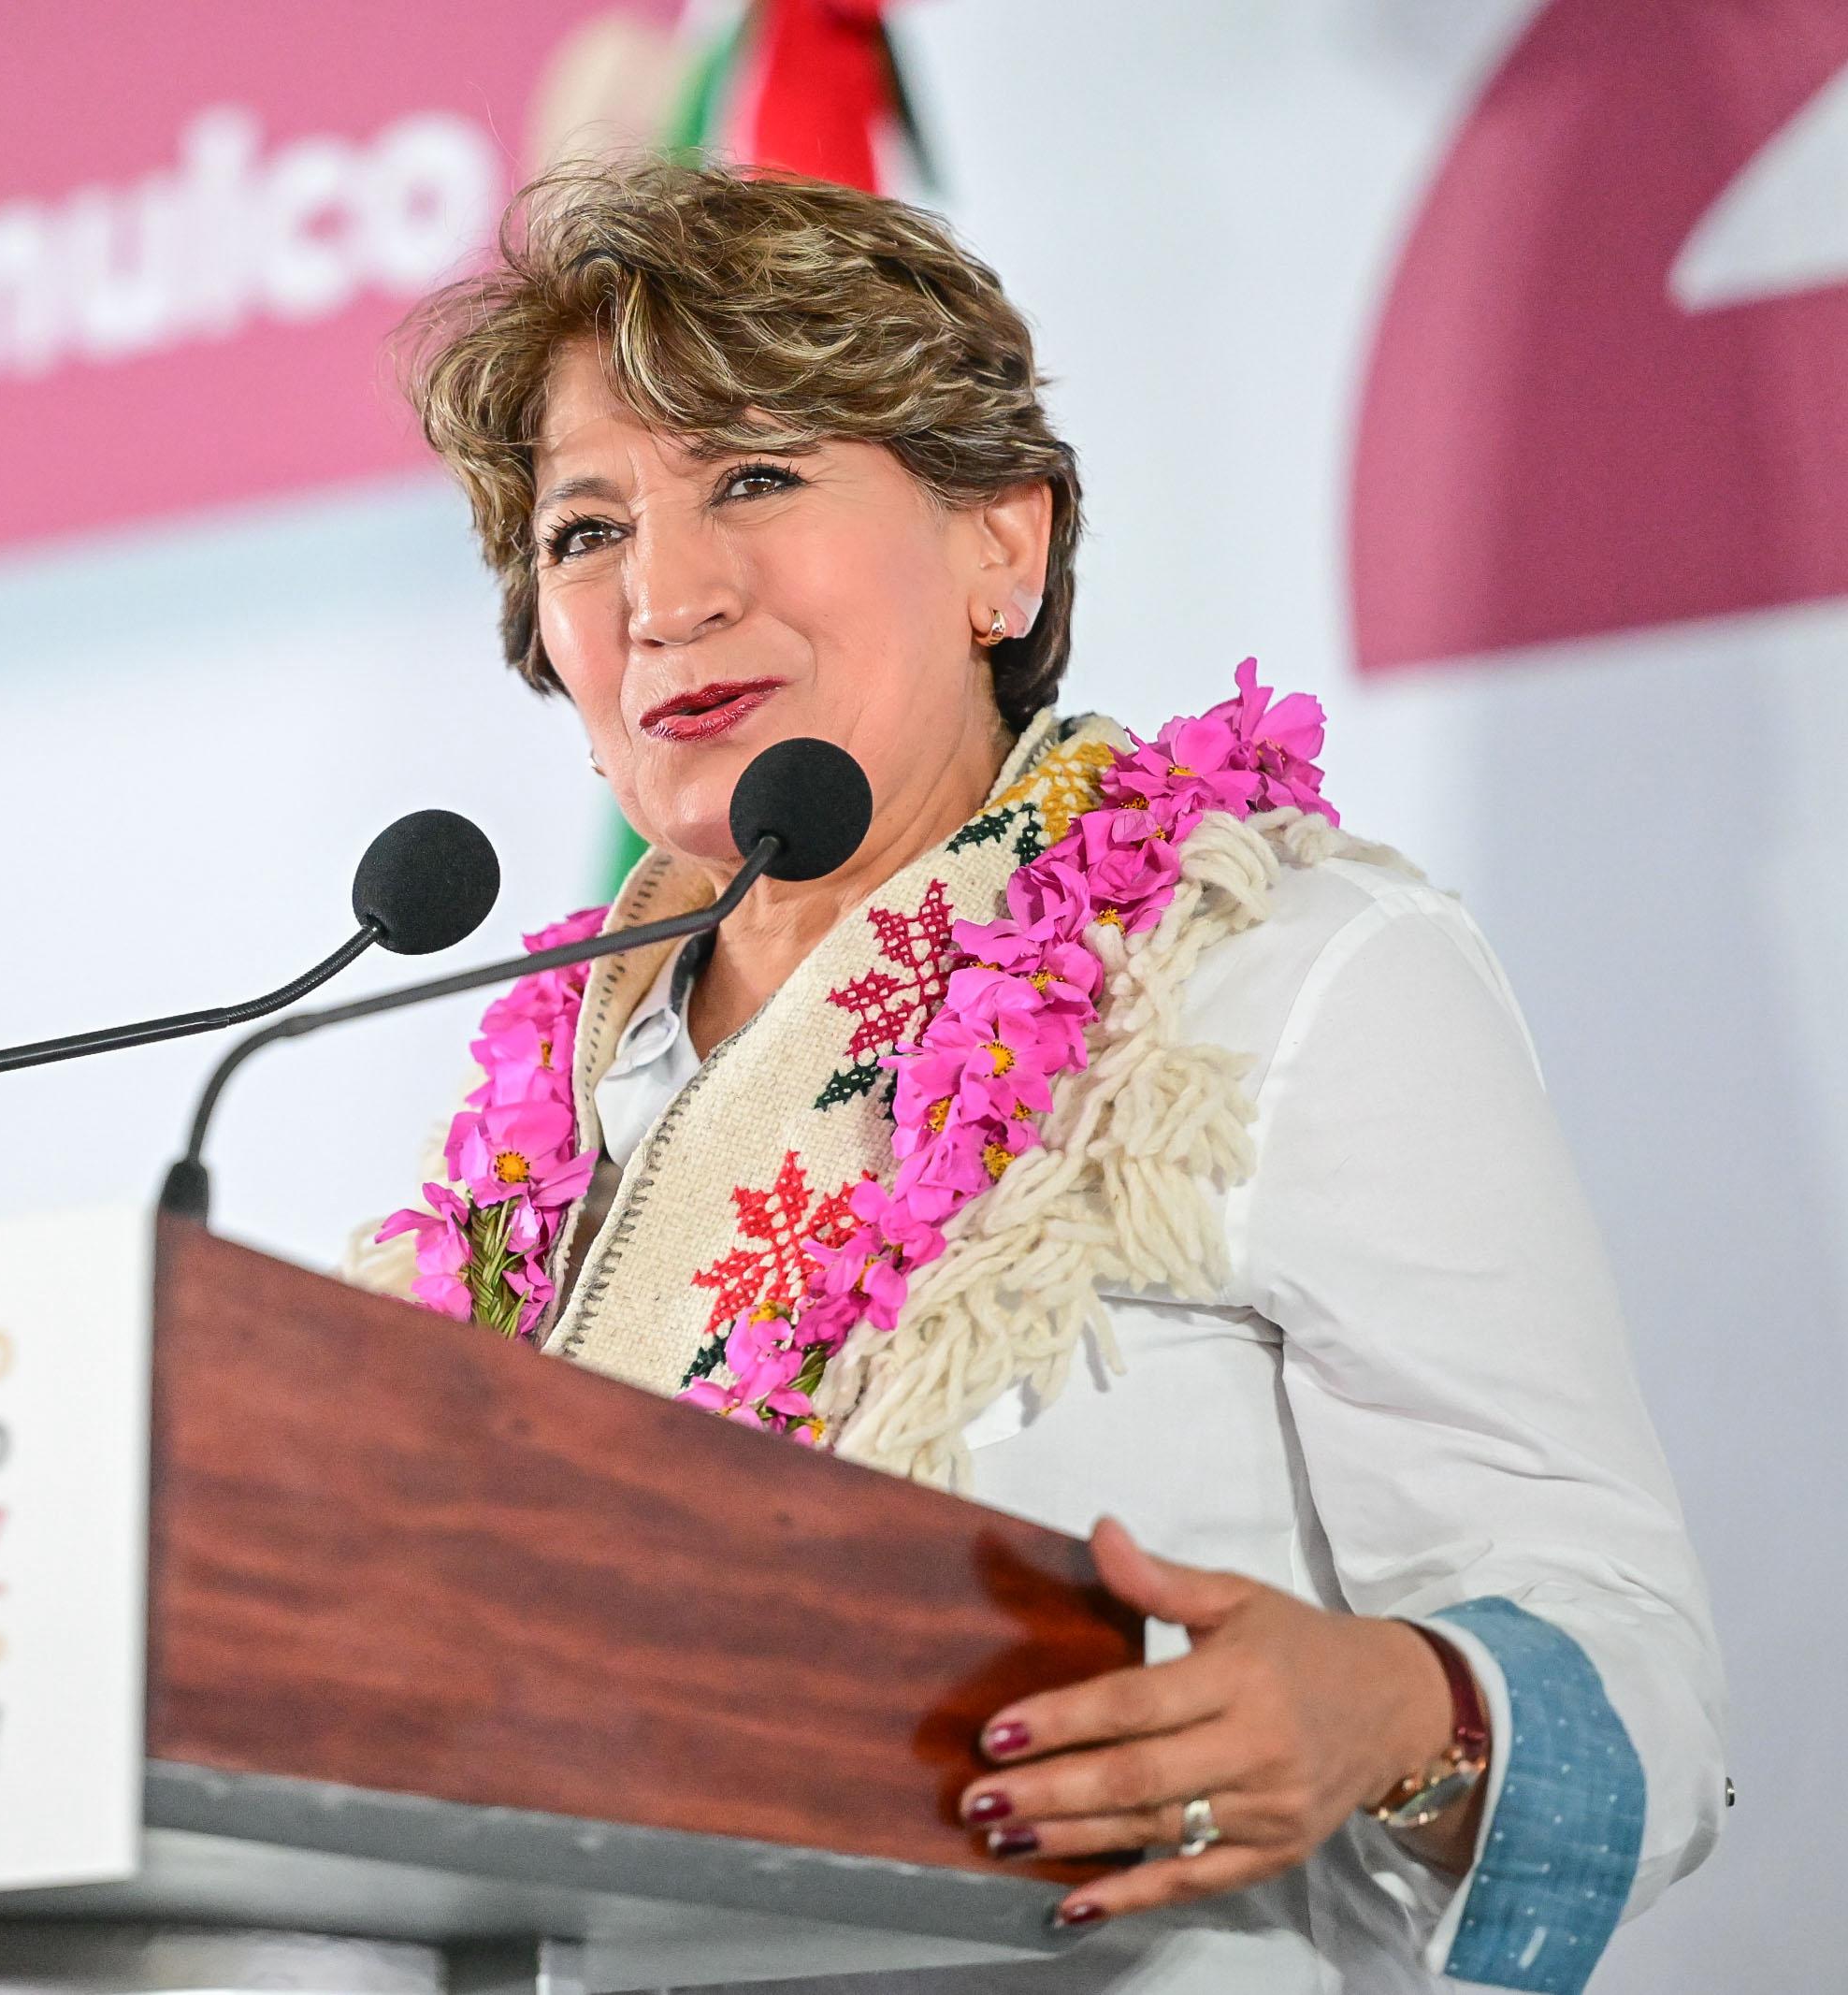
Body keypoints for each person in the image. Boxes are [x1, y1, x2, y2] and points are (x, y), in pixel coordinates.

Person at [360, 159, 1725, 1995]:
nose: (662, 595)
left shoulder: (1274, 970)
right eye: (583, 530)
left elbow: (1638, 1660)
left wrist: (1404, 1704)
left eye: (753, 477)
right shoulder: (541, 1134)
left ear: (1002, 544)